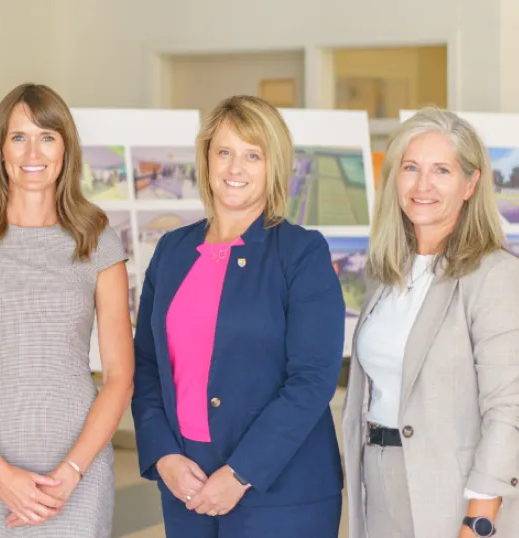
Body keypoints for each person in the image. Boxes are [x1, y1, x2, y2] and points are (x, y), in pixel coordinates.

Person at [131, 95, 346, 537]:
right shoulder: (172, 251)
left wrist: (241, 472)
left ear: (273, 166)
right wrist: (165, 457)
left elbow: (312, 379)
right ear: (207, 158)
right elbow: (147, 365)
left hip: (281, 491)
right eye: (224, 152)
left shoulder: (301, 253)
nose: (235, 168)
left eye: (253, 155)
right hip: (185, 484)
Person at [0, 83, 134, 537]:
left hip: (77, 466)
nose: (32, 152)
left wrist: (71, 472)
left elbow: (120, 376)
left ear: (65, 148)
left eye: (47, 137)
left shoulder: (97, 241)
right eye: (19, 137)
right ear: (0, 149)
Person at [342, 107, 519, 538]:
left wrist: (478, 520)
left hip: (455, 493)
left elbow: (509, 406)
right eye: (411, 168)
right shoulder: (387, 272)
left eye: (442, 170)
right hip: (378, 481)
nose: (423, 185)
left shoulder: (495, 275)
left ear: (470, 183)